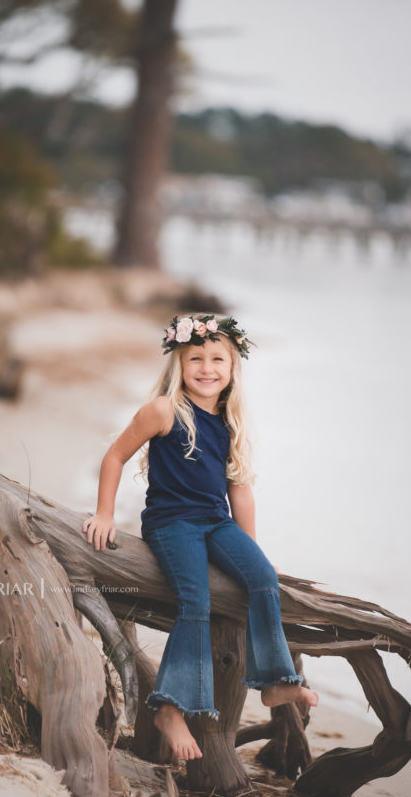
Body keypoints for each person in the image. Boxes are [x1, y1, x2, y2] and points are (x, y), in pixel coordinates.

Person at [83, 312, 319, 761]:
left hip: (217, 522)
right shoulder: (164, 410)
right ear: (178, 363)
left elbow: (240, 491)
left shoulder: (229, 421)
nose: (206, 368)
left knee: (264, 579)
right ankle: (170, 710)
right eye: (196, 358)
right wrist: (104, 514)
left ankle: (273, 682)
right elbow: (114, 457)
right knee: (196, 603)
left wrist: (249, 549)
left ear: (232, 370)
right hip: (172, 524)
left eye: (217, 360)